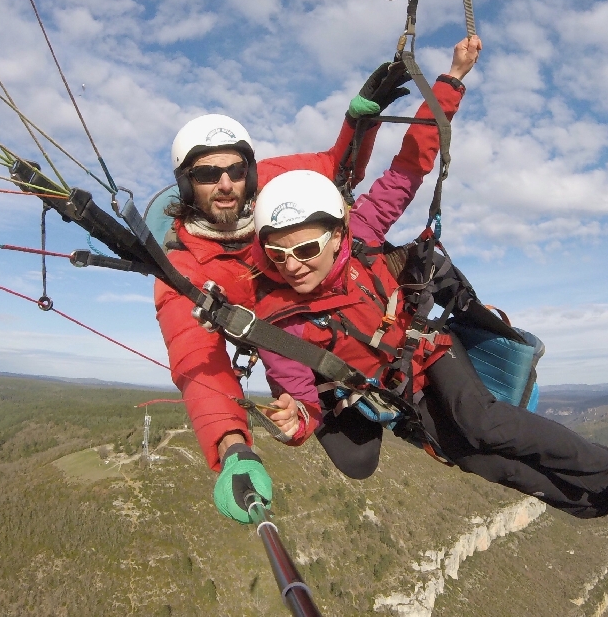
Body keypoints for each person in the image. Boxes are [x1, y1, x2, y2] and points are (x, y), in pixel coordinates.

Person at [230, 35, 608, 547]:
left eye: (306, 249)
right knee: (483, 462)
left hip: (425, 349)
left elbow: (408, 168)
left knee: (481, 423)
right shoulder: (277, 317)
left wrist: (452, 80)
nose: (292, 266)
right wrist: (295, 420)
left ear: (336, 233)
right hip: (394, 390)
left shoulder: (361, 234)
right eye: (276, 255)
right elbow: (298, 393)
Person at [153, 64, 413, 515]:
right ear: (186, 183)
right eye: (207, 174)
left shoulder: (274, 186)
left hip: (331, 309)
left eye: (235, 169)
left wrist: (359, 121)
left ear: (249, 171)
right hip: (291, 348)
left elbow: (336, 170)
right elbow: (197, 359)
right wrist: (232, 447)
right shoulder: (183, 267)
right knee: (358, 459)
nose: (225, 183)